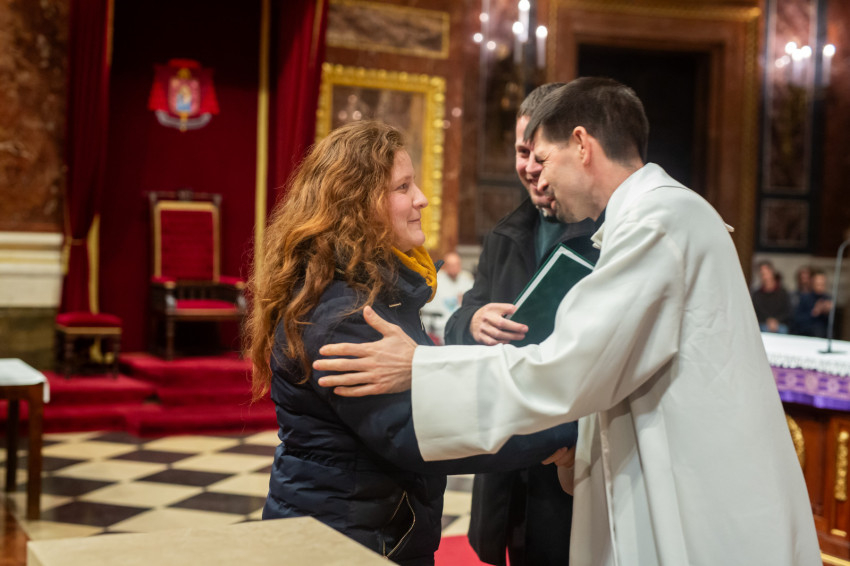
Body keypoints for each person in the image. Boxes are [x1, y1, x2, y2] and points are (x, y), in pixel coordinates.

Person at [313, 79, 821, 565]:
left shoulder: (658, 222)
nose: (539, 177)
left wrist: (421, 368)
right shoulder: (655, 215)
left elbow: (570, 368)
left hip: (696, 491)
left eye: (543, 158)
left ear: (581, 144)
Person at [244, 120, 576, 566]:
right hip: (342, 541)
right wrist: (556, 436)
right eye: (403, 187)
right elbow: (417, 433)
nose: (422, 198)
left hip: (370, 527)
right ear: (357, 204)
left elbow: (421, 382)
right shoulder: (344, 314)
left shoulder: (373, 292)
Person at [443, 83, 599, 566]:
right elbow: (456, 324)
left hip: (571, 461)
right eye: (520, 151)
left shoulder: (606, 233)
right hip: (508, 460)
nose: (529, 166)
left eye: (539, 153)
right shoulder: (504, 234)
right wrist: (473, 322)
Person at [420, 250, 473, 343]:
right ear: (445, 266)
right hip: (439, 324)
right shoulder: (435, 281)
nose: (454, 268)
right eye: (451, 265)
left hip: (461, 322)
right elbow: (427, 307)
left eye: (457, 264)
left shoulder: (466, 280)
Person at [752, 260, 792, 333]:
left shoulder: (783, 292)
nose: (765, 277)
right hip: (763, 325)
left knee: (783, 330)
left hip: (780, 324)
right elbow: (755, 312)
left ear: (772, 272)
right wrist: (767, 321)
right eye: (762, 274)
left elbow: (788, 311)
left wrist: (776, 321)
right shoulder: (756, 295)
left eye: (766, 273)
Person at [792, 269, 833, 337]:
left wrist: (829, 312)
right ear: (813, 283)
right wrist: (815, 311)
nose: (820, 287)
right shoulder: (805, 298)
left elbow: (832, 325)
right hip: (807, 335)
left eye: (822, 284)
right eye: (818, 284)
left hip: (823, 336)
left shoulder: (828, 299)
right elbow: (798, 321)